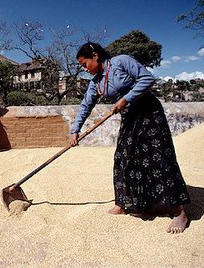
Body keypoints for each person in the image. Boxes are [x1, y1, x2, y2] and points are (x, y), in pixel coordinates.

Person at [69, 42, 190, 234]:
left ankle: (178, 212)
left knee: (158, 158)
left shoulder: (121, 62)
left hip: (149, 113)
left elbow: (147, 79)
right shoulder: (95, 83)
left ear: (95, 56)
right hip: (130, 119)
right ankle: (124, 203)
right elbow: (85, 106)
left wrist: (126, 99)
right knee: (123, 159)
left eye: (85, 64)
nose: (85, 70)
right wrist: (74, 131)